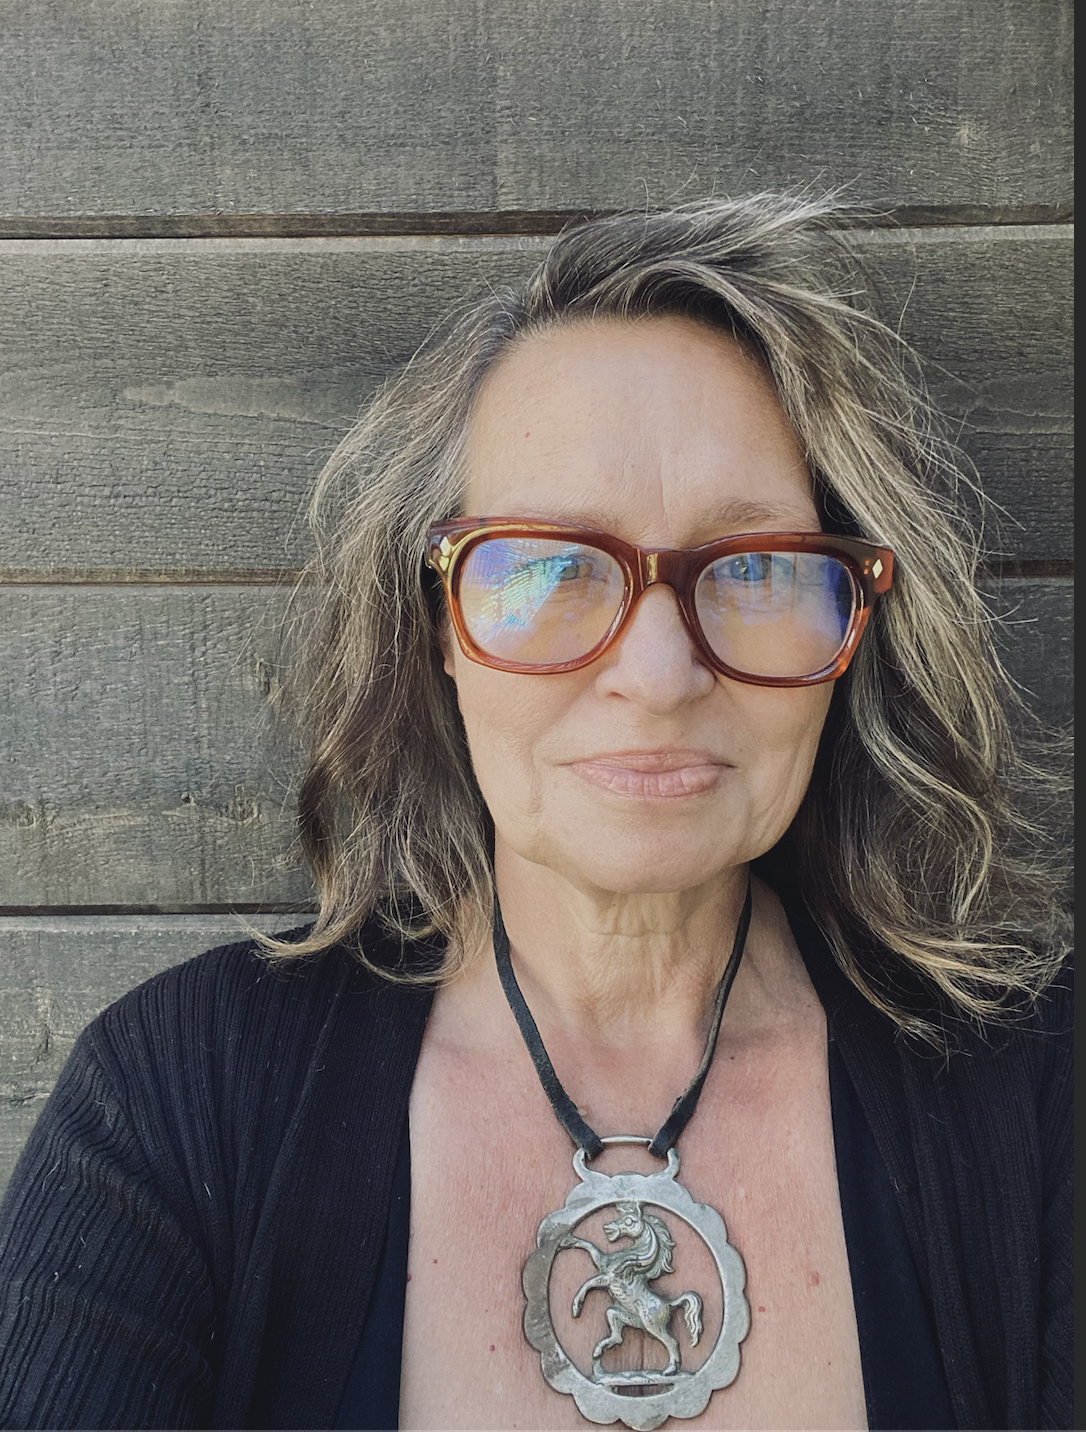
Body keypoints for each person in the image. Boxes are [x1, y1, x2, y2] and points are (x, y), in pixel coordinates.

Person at [0, 195, 1070, 1431]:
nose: (658, 676)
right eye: (552, 567)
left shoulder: (1042, 1096)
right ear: (436, 628)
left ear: (857, 624)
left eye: (756, 567)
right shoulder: (173, 1105)